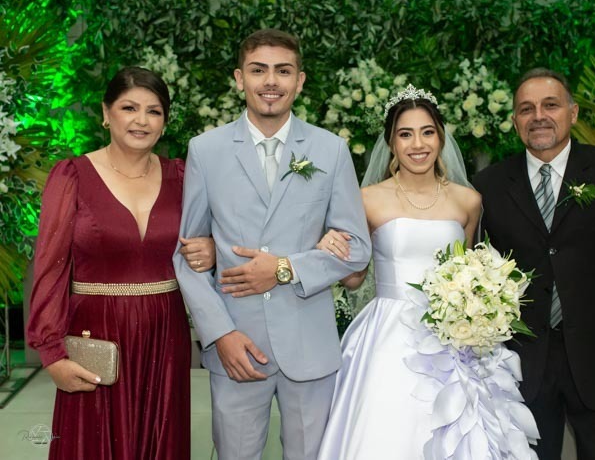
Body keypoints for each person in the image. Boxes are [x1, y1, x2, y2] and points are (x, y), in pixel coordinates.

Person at [173, 29, 371, 460]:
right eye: (258, 70)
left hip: (309, 344)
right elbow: (188, 256)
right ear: (239, 78)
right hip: (237, 346)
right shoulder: (206, 151)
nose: (270, 81)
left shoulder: (330, 149)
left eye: (283, 71)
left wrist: (285, 268)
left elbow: (357, 247)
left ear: (299, 81)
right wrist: (220, 334)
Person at [316, 85, 539, 459]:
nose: (417, 144)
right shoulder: (367, 199)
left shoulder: (468, 201)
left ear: (441, 137)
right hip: (388, 334)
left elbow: (470, 267)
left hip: (454, 337)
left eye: (427, 132)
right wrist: (331, 249)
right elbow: (353, 279)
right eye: (405, 134)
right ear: (391, 142)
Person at [472, 68, 595, 460]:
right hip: (523, 362)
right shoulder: (489, 185)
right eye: (526, 109)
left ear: (572, 113)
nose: (538, 116)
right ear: (515, 121)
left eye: (550, 105)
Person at [26, 67, 215, 459]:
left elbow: (213, 235)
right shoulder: (72, 175)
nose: (141, 120)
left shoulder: (182, 176)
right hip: (96, 333)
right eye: (129, 108)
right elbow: (50, 268)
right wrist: (51, 354)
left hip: (164, 334)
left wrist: (211, 248)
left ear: (165, 121)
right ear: (105, 112)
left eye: (154, 111)